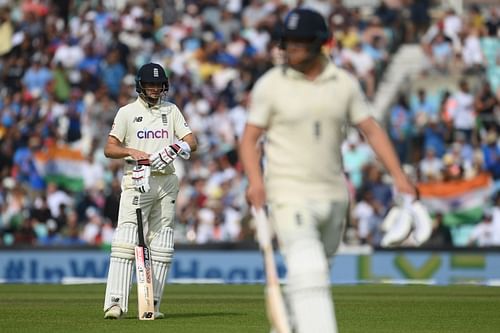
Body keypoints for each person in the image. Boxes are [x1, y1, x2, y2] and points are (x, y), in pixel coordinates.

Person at [239, 8, 415, 333]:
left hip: (334, 195)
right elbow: (249, 140)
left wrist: (400, 178)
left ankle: (285, 326)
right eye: (287, 43)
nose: (291, 49)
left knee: (315, 273)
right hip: (288, 191)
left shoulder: (344, 84)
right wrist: (255, 182)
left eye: (299, 43)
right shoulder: (270, 85)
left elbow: (371, 130)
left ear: (319, 43)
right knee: (307, 264)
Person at [102, 62, 197, 319]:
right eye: (150, 84)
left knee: (163, 244)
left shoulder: (171, 110)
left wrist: (175, 149)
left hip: (166, 182)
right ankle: (115, 303)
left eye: (158, 84)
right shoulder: (127, 112)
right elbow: (110, 148)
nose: (155, 89)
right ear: (140, 86)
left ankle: (151, 304)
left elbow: (192, 142)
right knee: (125, 240)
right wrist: (131, 151)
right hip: (137, 178)